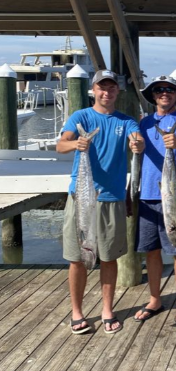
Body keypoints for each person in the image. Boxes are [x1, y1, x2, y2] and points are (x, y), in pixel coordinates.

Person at [57, 69, 144, 335]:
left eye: (111, 88)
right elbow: (61, 144)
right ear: (93, 90)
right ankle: (77, 311)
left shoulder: (126, 121)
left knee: (108, 258)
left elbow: (136, 137)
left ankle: (107, 309)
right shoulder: (80, 116)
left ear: (118, 91)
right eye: (102, 88)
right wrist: (77, 145)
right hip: (82, 196)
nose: (107, 92)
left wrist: (137, 144)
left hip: (112, 198)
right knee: (77, 257)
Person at [133, 76, 176, 326]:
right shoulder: (144, 123)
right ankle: (154, 299)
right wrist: (135, 144)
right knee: (151, 251)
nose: (164, 93)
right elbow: (135, 148)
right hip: (148, 194)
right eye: (159, 90)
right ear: (153, 95)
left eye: (170, 90)